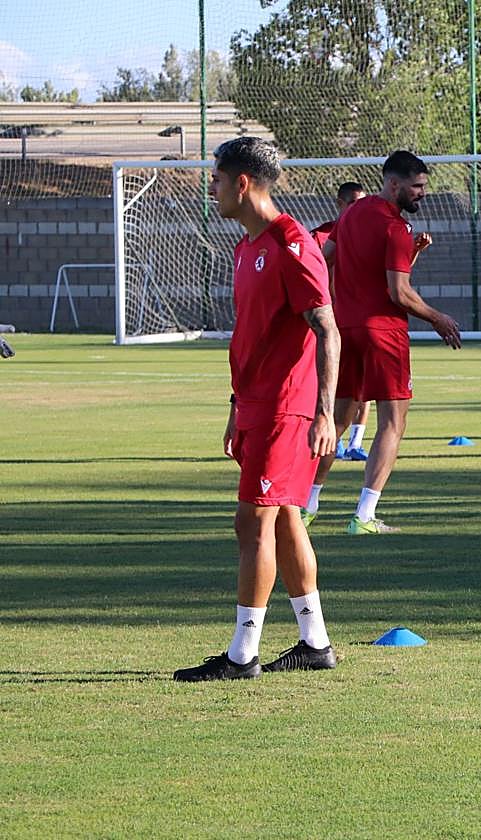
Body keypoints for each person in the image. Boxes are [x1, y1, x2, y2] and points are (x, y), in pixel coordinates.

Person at [174, 137, 340, 681]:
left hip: (287, 411)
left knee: (252, 523)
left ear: (241, 183)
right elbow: (252, 338)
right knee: (287, 519)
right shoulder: (247, 248)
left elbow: (328, 330)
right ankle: (315, 643)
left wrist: (324, 413)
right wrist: (234, 405)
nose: (213, 189)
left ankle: (242, 655)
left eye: (217, 179)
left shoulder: (293, 243)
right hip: (254, 407)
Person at [305, 150, 460, 535]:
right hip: (383, 335)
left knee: (336, 421)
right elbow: (398, 294)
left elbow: (325, 262)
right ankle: (364, 515)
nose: (422, 193)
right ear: (394, 184)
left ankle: (306, 505)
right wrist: (438, 318)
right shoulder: (395, 227)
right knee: (393, 421)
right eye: (417, 186)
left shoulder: (352, 214)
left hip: (345, 330)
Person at [311, 181, 372, 462]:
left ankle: (355, 444)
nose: (358, 209)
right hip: (328, 321)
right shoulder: (321, 236)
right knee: (327, 385)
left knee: (364, 387)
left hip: (358, 318)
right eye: (353, 203)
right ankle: (319, 438)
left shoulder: (367, 234)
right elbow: (314, 273)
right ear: (340, 204)